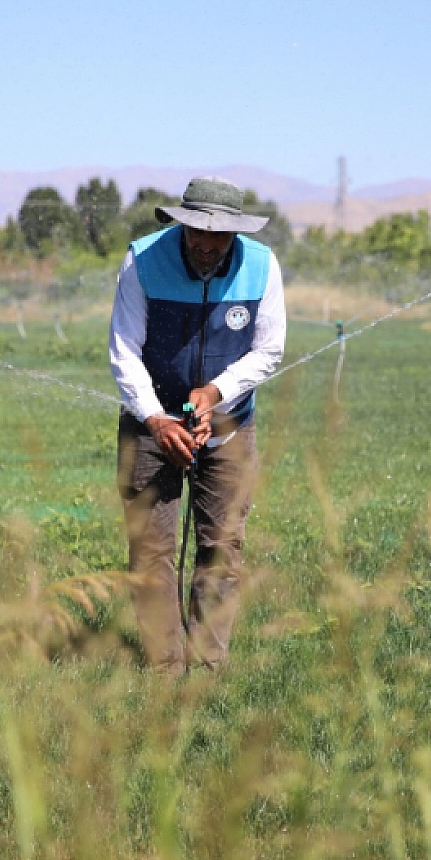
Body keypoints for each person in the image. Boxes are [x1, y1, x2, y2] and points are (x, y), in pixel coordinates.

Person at [108, 176, 286, 675]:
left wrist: (215, 394)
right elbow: (124, 348)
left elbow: (269, 351)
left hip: (229, 427)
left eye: (219, 236)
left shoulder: (262, 265)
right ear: (181, 225)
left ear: (236, 234)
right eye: (196, 233)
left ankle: (208, 668)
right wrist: (155, 419)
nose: (206, 245)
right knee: (151, 548)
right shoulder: (143, 259)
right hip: (149, 427)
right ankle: (165, 669)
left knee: (222, 547)